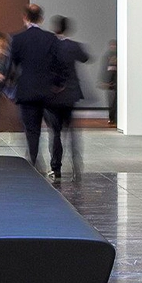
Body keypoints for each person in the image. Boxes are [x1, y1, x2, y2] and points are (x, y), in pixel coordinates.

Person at [8, 4, 62, 178]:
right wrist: (58, 84)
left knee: (32, 130)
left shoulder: (18, 39)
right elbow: (58, 65)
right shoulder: (51, 39)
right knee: (55, 129)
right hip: (49, 92)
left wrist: (11, 85)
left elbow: (12, 67)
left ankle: (33, 163)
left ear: (25, 17)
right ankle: (56, 166)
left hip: (27, 91)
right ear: (41, 18)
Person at [49, 16, 88, 180]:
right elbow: (85, 58)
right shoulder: (73, 46)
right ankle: (76, 166)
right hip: (71, 93)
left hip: (55, 94)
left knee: (55, 132)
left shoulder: (51, 47)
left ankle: (56, 168)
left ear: (55, 29)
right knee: (72, 132)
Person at [101, 39, 118, 126]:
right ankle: (112, 118)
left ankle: (114, 118)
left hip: (116, 81)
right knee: (111, 101)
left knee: (115, 101)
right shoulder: (107, 56)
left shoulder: (119, 55)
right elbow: (103, 68)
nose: (113, 47)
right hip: (110, 82)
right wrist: (104, 81)